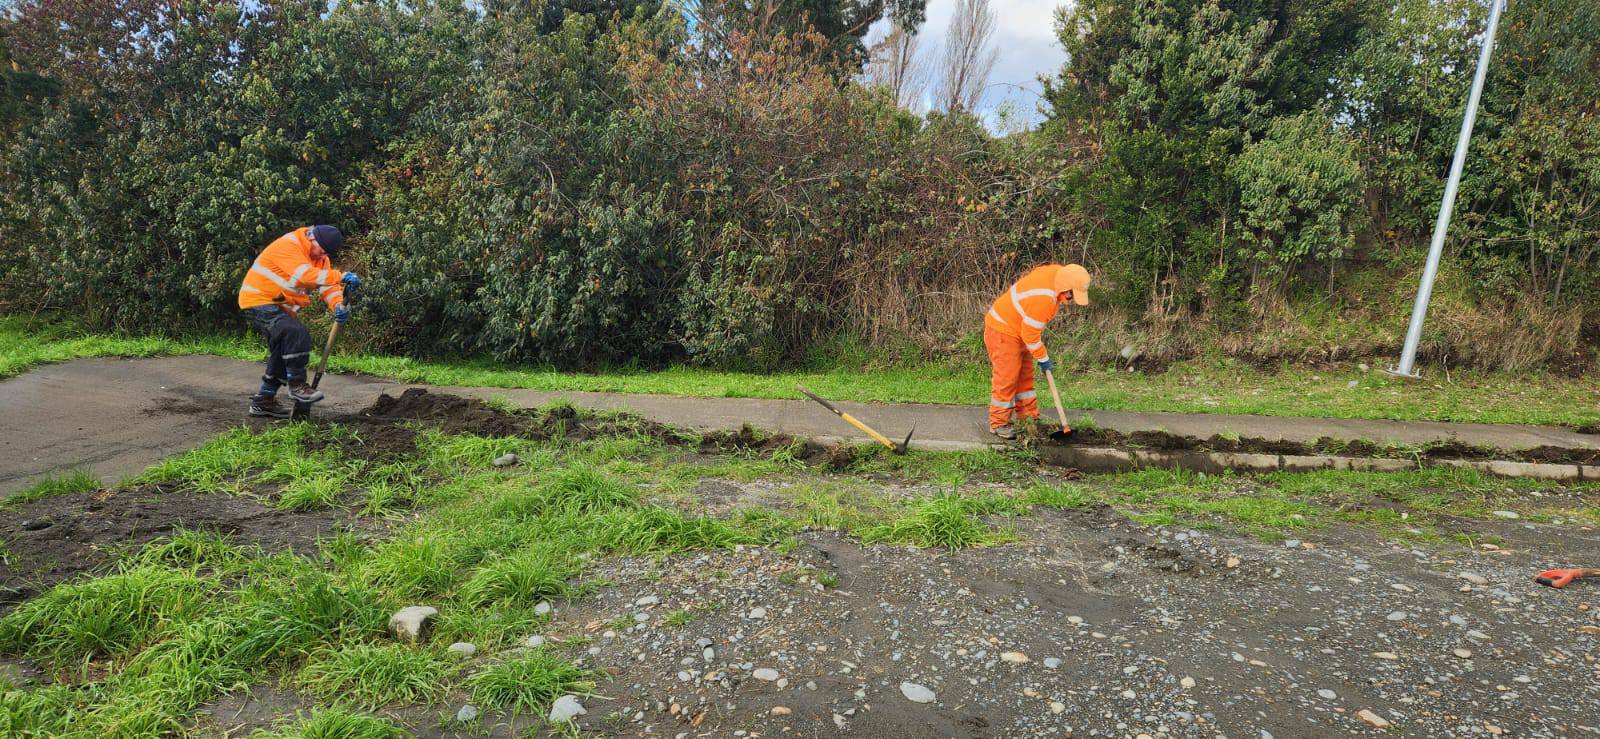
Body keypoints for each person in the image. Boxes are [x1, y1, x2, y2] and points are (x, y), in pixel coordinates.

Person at [237, 225, 361, 418]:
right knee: (296, 334)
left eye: (327, 253)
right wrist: (341, 275)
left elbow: (328, 286)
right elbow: (304, 275)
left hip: (279, 306)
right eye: (322, 248)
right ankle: (297, 386)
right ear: (312, 236)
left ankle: (263, 401)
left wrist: (337, 304)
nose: (322, 254)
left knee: (283, 350)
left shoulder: (321, 258)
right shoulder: (289, 245)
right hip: (258, 299)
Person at [982, 263, 1090, 440]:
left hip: (1018, 327)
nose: (1071, 299)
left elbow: (1029, 332)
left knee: (1025, 376)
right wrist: (1043, 358)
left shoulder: (1057, 274)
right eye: (1071, 294)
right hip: (1002, 329)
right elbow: (1031, 335)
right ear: (1065, 286)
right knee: (1007, 377)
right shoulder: (1044, 299)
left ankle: (1028, 419)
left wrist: (1039, 355)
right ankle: (999, 423)